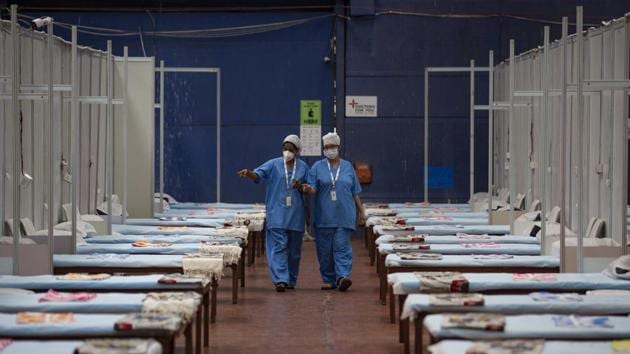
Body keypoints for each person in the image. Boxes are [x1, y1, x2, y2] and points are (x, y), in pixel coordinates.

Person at [238, 135, 309, 292]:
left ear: (297, 151)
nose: (287, 152)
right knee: (278, 246)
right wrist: (248, 173)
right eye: (285, 149)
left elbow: (308, 187)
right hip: (277, 213)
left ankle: (291, 279)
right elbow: (258, 175)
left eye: (290, 150)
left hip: (295, 214)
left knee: (294, 251)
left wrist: (301, 186)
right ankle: (280, 280)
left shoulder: (303, 167)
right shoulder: (273, 164)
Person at [302, 131, 366, 291]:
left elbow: (355, 192)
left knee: (342, 246)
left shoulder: (348, 167)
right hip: (324, 217)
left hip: (345, 215)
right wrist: (307, 188)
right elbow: (312, 188)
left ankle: (343, 276)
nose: (329, 149)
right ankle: (329, 279)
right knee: (325, 251)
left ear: (338, 147)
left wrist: (362, 213)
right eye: (326, 147)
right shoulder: (317, 167)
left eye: (332, 146)